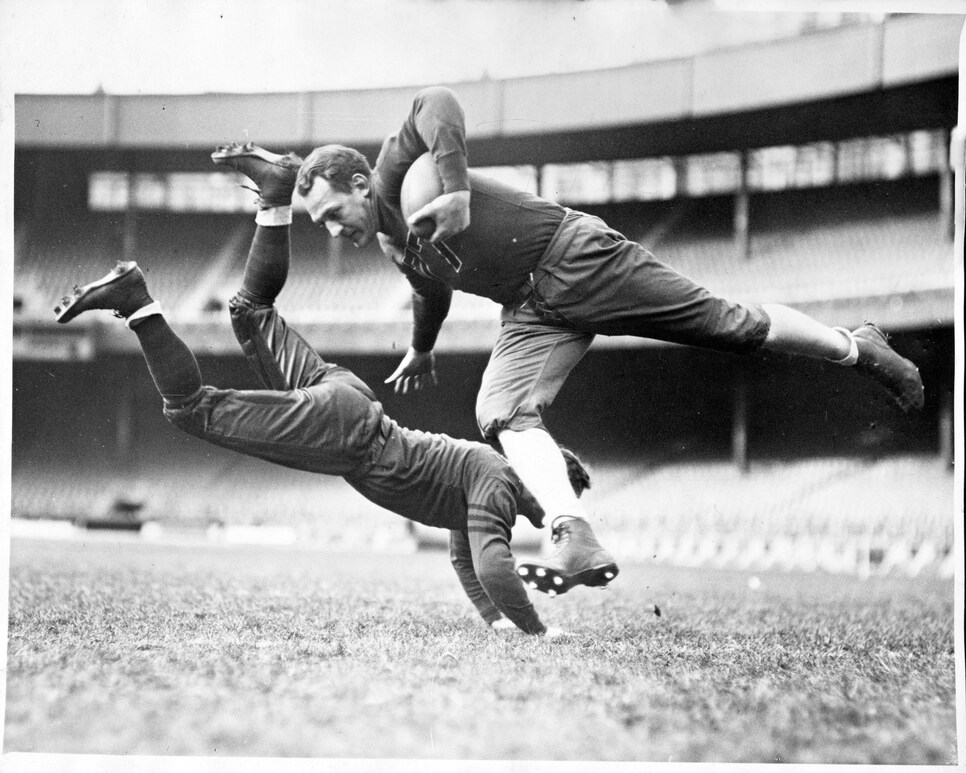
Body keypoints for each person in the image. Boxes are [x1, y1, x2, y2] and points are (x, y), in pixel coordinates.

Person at [239, 85, 927, 597]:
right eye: (321, 224)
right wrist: (423, 345)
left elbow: (437, 102)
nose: (335, 230)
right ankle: (571, 532)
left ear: (359, 183)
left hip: (575, 256)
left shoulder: (399, 174)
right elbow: (433, 290)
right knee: (499, 412)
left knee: (732, 327)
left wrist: (455, 190)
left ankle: (856, 346)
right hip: (530, 308)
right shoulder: (392, 239)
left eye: (335, 213)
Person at [52, 146, 598, 637]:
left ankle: (274, 195)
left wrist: (498, 621)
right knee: (192, 410)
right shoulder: (499, 486)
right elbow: (492, 565)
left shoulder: (487, 479)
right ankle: (136, 302)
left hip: (349, 402)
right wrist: (535, 631)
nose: (549, 517)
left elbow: (466, 560)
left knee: (249, 311)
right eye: (555, 505)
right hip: (350, 435)